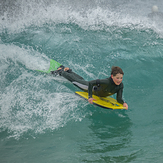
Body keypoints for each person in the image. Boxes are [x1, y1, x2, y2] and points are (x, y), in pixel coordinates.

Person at [52, 65, 128, 109]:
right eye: (117, 78)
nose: (119, 80)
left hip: (96, 91)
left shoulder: (120, 86)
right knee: (75, 81)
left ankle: (69, 71)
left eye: (121, 78)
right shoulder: (106, 82)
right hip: (89, 88)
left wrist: (123, 103)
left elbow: (119, 98)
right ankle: (61, 71)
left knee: (80, 80)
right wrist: (90, 97)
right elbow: (91, 83)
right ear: (112, 76)